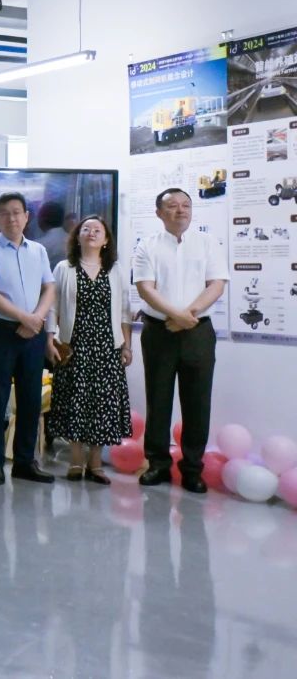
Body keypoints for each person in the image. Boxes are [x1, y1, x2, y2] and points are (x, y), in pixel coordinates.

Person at [131, 188, 227, 493]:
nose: (181, 210)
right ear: (159, 213)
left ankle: (193, 469)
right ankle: (157, 464)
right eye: (172, 206)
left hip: (198, 331)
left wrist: (188, 316)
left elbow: (216, 284)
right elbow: (146, 288)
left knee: (197, 401)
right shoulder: (147, 245)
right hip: (160, 331)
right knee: (158, 399)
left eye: (186, 205)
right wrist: (175, 316)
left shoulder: (208, 243)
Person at [0, 192, 57, 485]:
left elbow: (49, 288)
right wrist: (25, 318)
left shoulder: (39, 250)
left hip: (33, 333)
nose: (12, 218)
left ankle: (24, 462)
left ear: (26, 216)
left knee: (31, 399)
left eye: (17, 212)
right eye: (5, 213)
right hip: (0, 332)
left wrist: (36, 319)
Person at [46, 215, 133, 485]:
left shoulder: (115, 270)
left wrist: (127, 345)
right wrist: (50, 339)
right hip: (74, 346)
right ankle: (75, 460)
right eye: (86, 229)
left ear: (106, 240)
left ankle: (95, 464)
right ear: (77, 236)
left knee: (103, 404)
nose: (92, 233)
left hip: (107, 347)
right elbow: (53, 307)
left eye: (97, 230)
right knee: (75, 401)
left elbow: (125, 311)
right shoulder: (64, 268)